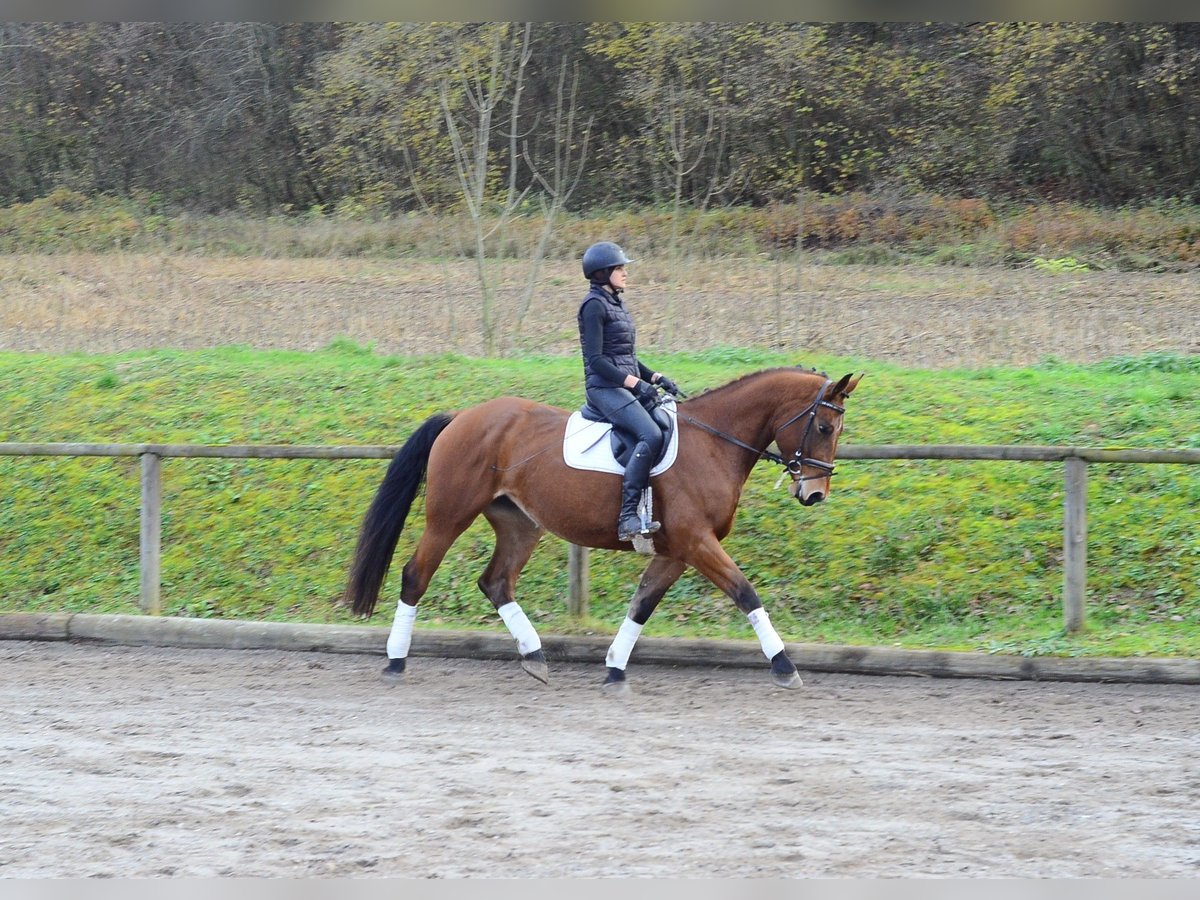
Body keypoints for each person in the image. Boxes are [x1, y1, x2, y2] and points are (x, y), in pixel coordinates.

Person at [577, 241, 680, 541]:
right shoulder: (593, 305)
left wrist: (656, 377)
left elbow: (626, 356)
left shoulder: (615, 303)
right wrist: (636, 384)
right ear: (603, 272)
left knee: (666, 423)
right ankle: (627, 518)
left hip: (621, 384)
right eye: (619, 268)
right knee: (651, 434)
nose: (625, 273)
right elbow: (597, 361)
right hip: (603, 388)